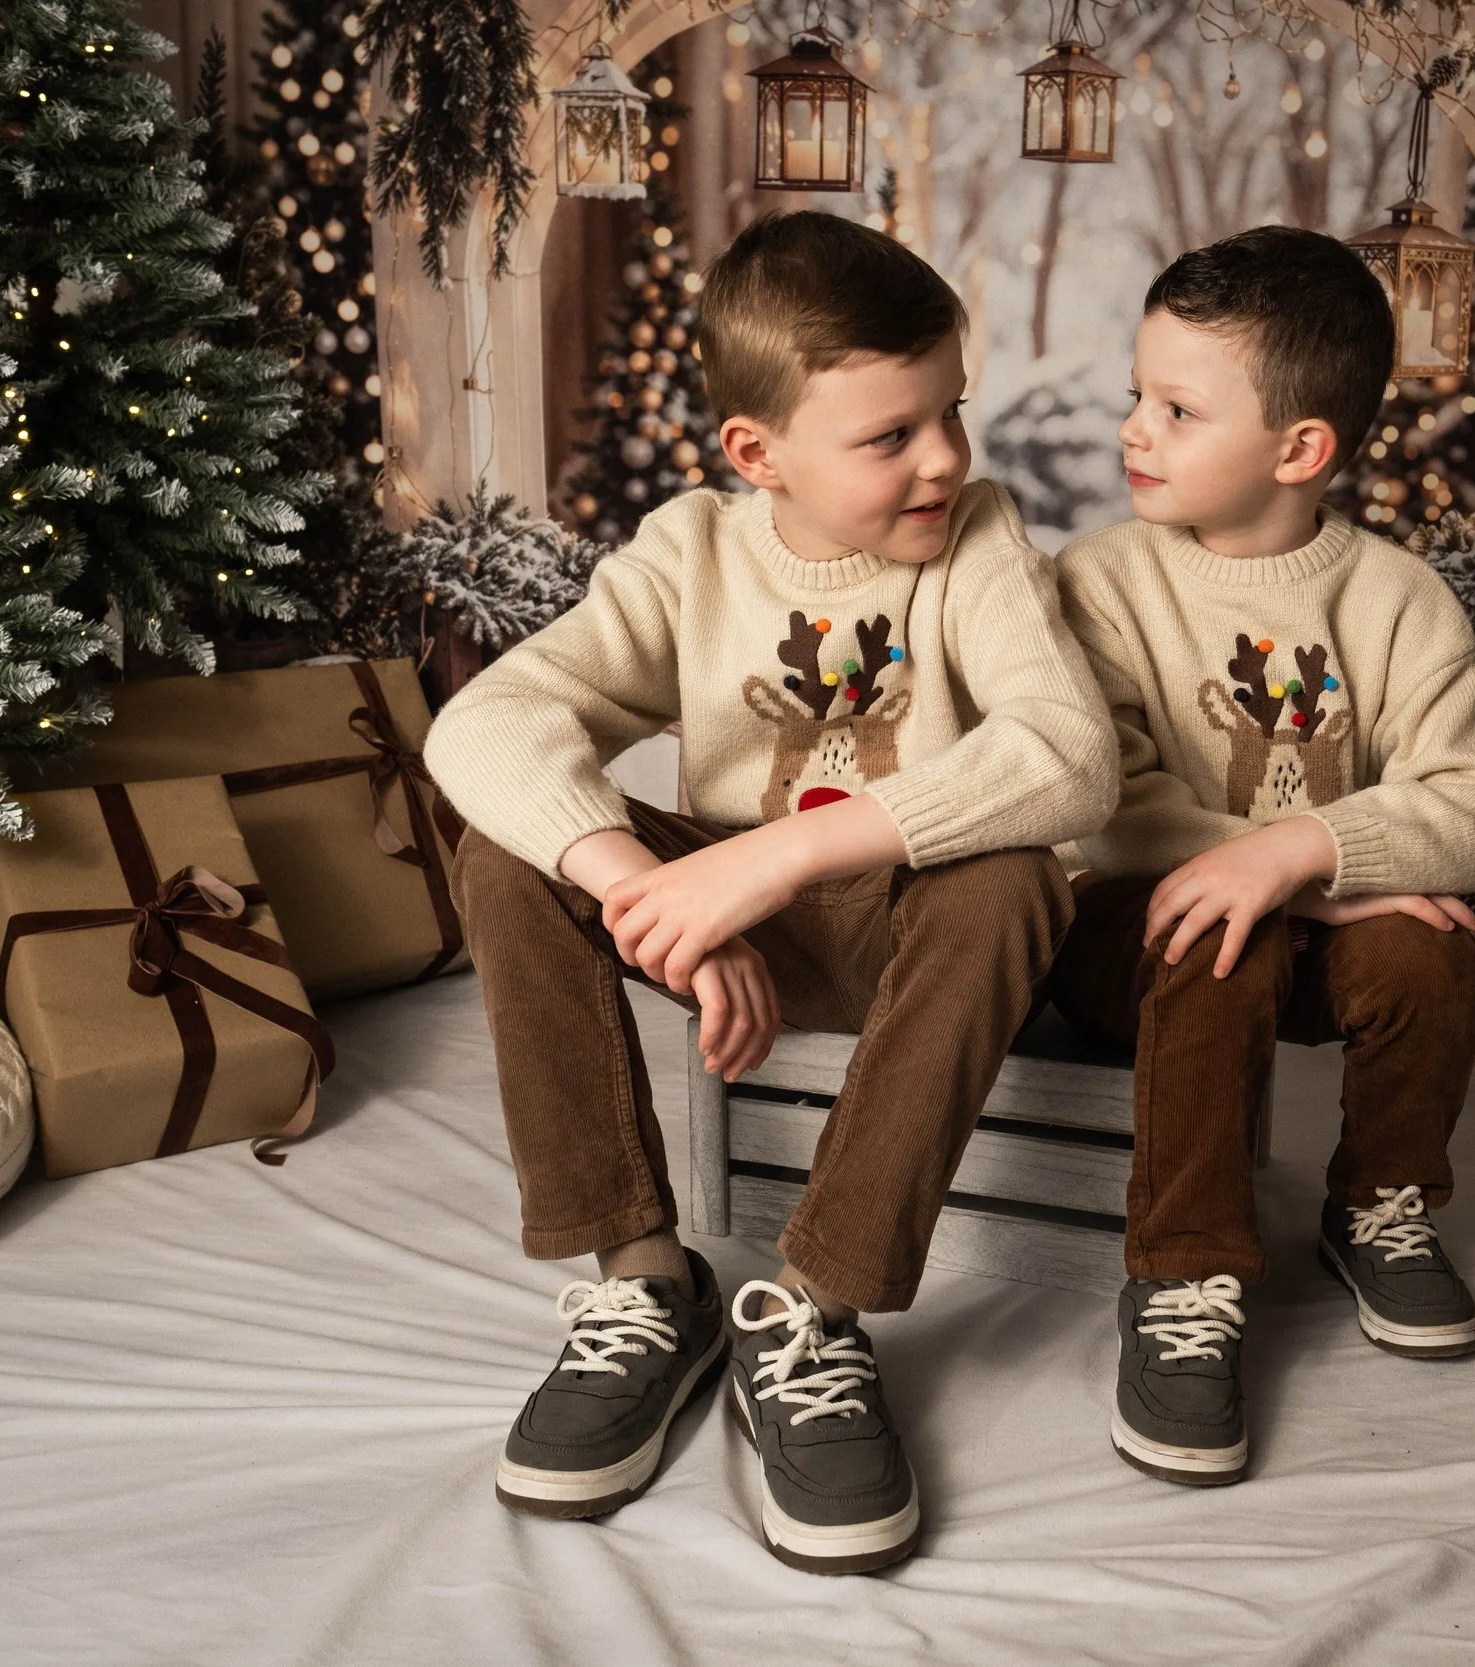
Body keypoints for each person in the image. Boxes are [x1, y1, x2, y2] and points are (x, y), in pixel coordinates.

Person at [424, 210, 1117, 1573]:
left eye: (950, 413)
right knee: (511, 843)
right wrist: (643, 888)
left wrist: (779, 854)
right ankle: (642, 1279)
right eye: (889, 436)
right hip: (717, 925)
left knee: (1013, 877)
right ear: (758, 454)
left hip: (902, 926)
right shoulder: (689, 551)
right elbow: (483, 722)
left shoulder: (978, 541)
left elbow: (1071, 756)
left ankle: (811, 1307)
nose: (944, 458)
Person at [1047, 226, 1475, 1487]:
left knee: (1430, 951)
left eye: (1177, 408)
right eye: (1135, 396)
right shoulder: (1097, 582)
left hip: (1309, 913)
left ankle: (1380, 1201)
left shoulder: (1396, 598)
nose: (1134, 431)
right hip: (1132, 938)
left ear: (1299, 447)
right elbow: (1101, 798)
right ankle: (1183, 1273)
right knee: (1223, 931)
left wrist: (1316, 852)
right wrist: (1295, 876)